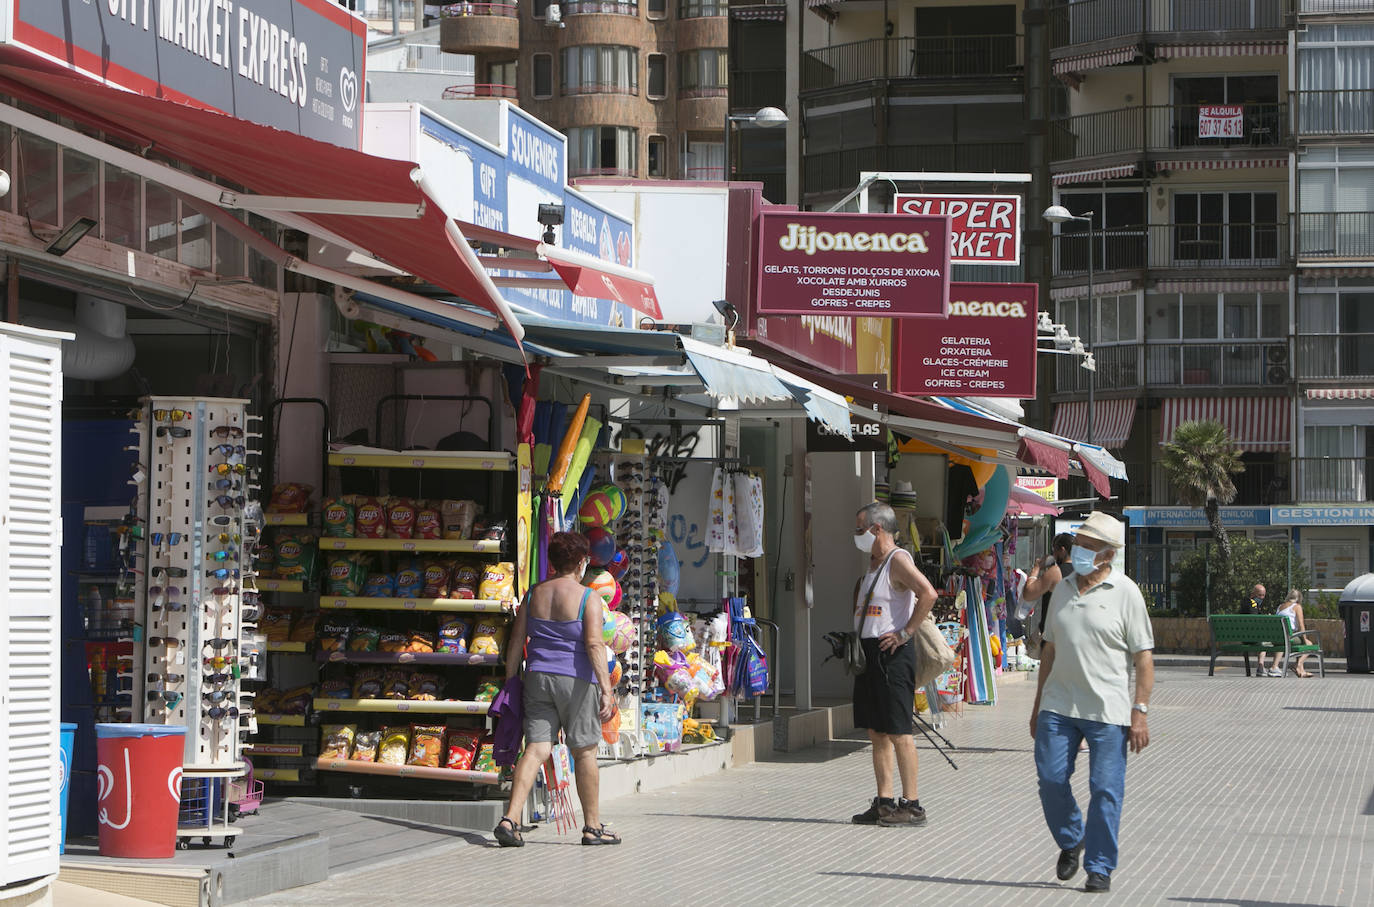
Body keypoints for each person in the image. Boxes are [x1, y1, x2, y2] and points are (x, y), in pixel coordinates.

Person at [1029, 512, 1154, 893]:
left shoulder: (1126, 592)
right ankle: (1072, 839)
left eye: (1087, 545)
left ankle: (1100, 867)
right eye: (1078, 543)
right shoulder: (1062, 588)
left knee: (1105, 789)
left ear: (1108, 554)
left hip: (1108, 711)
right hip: (1058, 705)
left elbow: (1144, 658)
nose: (1078, 550)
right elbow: (1048, 651)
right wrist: (1036, 706)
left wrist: (1140, 711)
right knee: (1050, 779)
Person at [494, 531, 618, 847]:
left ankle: (510, 819)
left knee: (535, 748)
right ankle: (592, 827)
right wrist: (606, 689)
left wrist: (511, 680)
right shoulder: (588, 598)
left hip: (537, 678)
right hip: (575, 682)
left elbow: (517, 640)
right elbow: (593, 644)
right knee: (585, 750)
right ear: (580, 562)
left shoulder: (534, 594)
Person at [849, 502, 938, 828]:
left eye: (860, 528)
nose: (856, 535)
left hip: (892, 656)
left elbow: (928, 593)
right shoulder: (874, 565)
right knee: (877, 731)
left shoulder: (897, 560)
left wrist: (906, 632)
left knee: (900, 731)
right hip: (870, 653)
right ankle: (884, 802)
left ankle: (912, 804)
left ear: (877, 529)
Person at [1271, 590, 1316, 678]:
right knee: (1308, 644)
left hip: (1277, 637)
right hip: (1288, 637)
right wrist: (1304, 638)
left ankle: (1301, 671)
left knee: (1289, 641)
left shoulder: (1280, 606)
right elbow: (1301, 625)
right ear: (1299, 598)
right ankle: (1298, 664)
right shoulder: (1296, 606)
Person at [1244, 584, 1278, 676]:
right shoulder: (1253, 604)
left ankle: (1261, 668)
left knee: (1262, 638)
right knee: (1264, 640)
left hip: (1244, 637)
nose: (1262, 598)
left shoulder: (1244, 602)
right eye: (1259, 595)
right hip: (1251, 638)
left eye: (1263, 595)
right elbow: (1254, 620)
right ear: (1253, 594)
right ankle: (1261, 667)